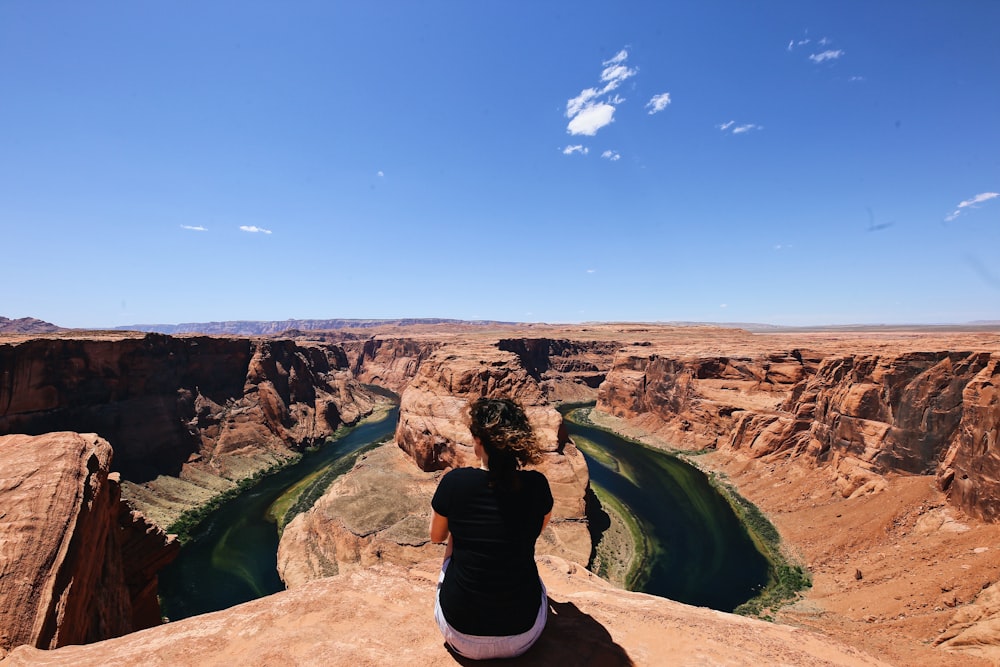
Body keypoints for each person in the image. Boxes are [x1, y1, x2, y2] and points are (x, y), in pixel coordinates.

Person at [430, 397, 554, 660]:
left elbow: (436, 536)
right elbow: (536, 530)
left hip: (459, 634)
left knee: (455, 535)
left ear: (479, 441)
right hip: (524, 635)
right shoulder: (538, 485)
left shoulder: (455, 483)